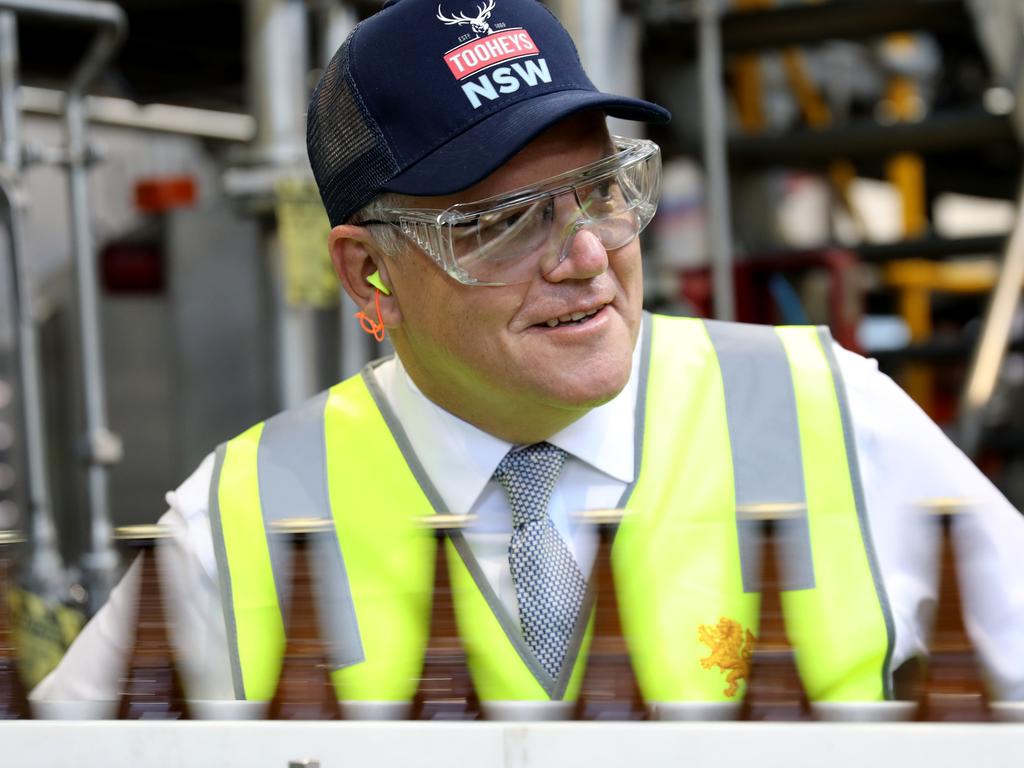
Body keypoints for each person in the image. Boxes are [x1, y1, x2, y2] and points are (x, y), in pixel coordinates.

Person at [33, 0, 1024, 711]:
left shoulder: (829, 413)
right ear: (368, 272)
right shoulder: (239, 518)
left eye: (603, 189)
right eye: (503, 224)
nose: (588, 257)